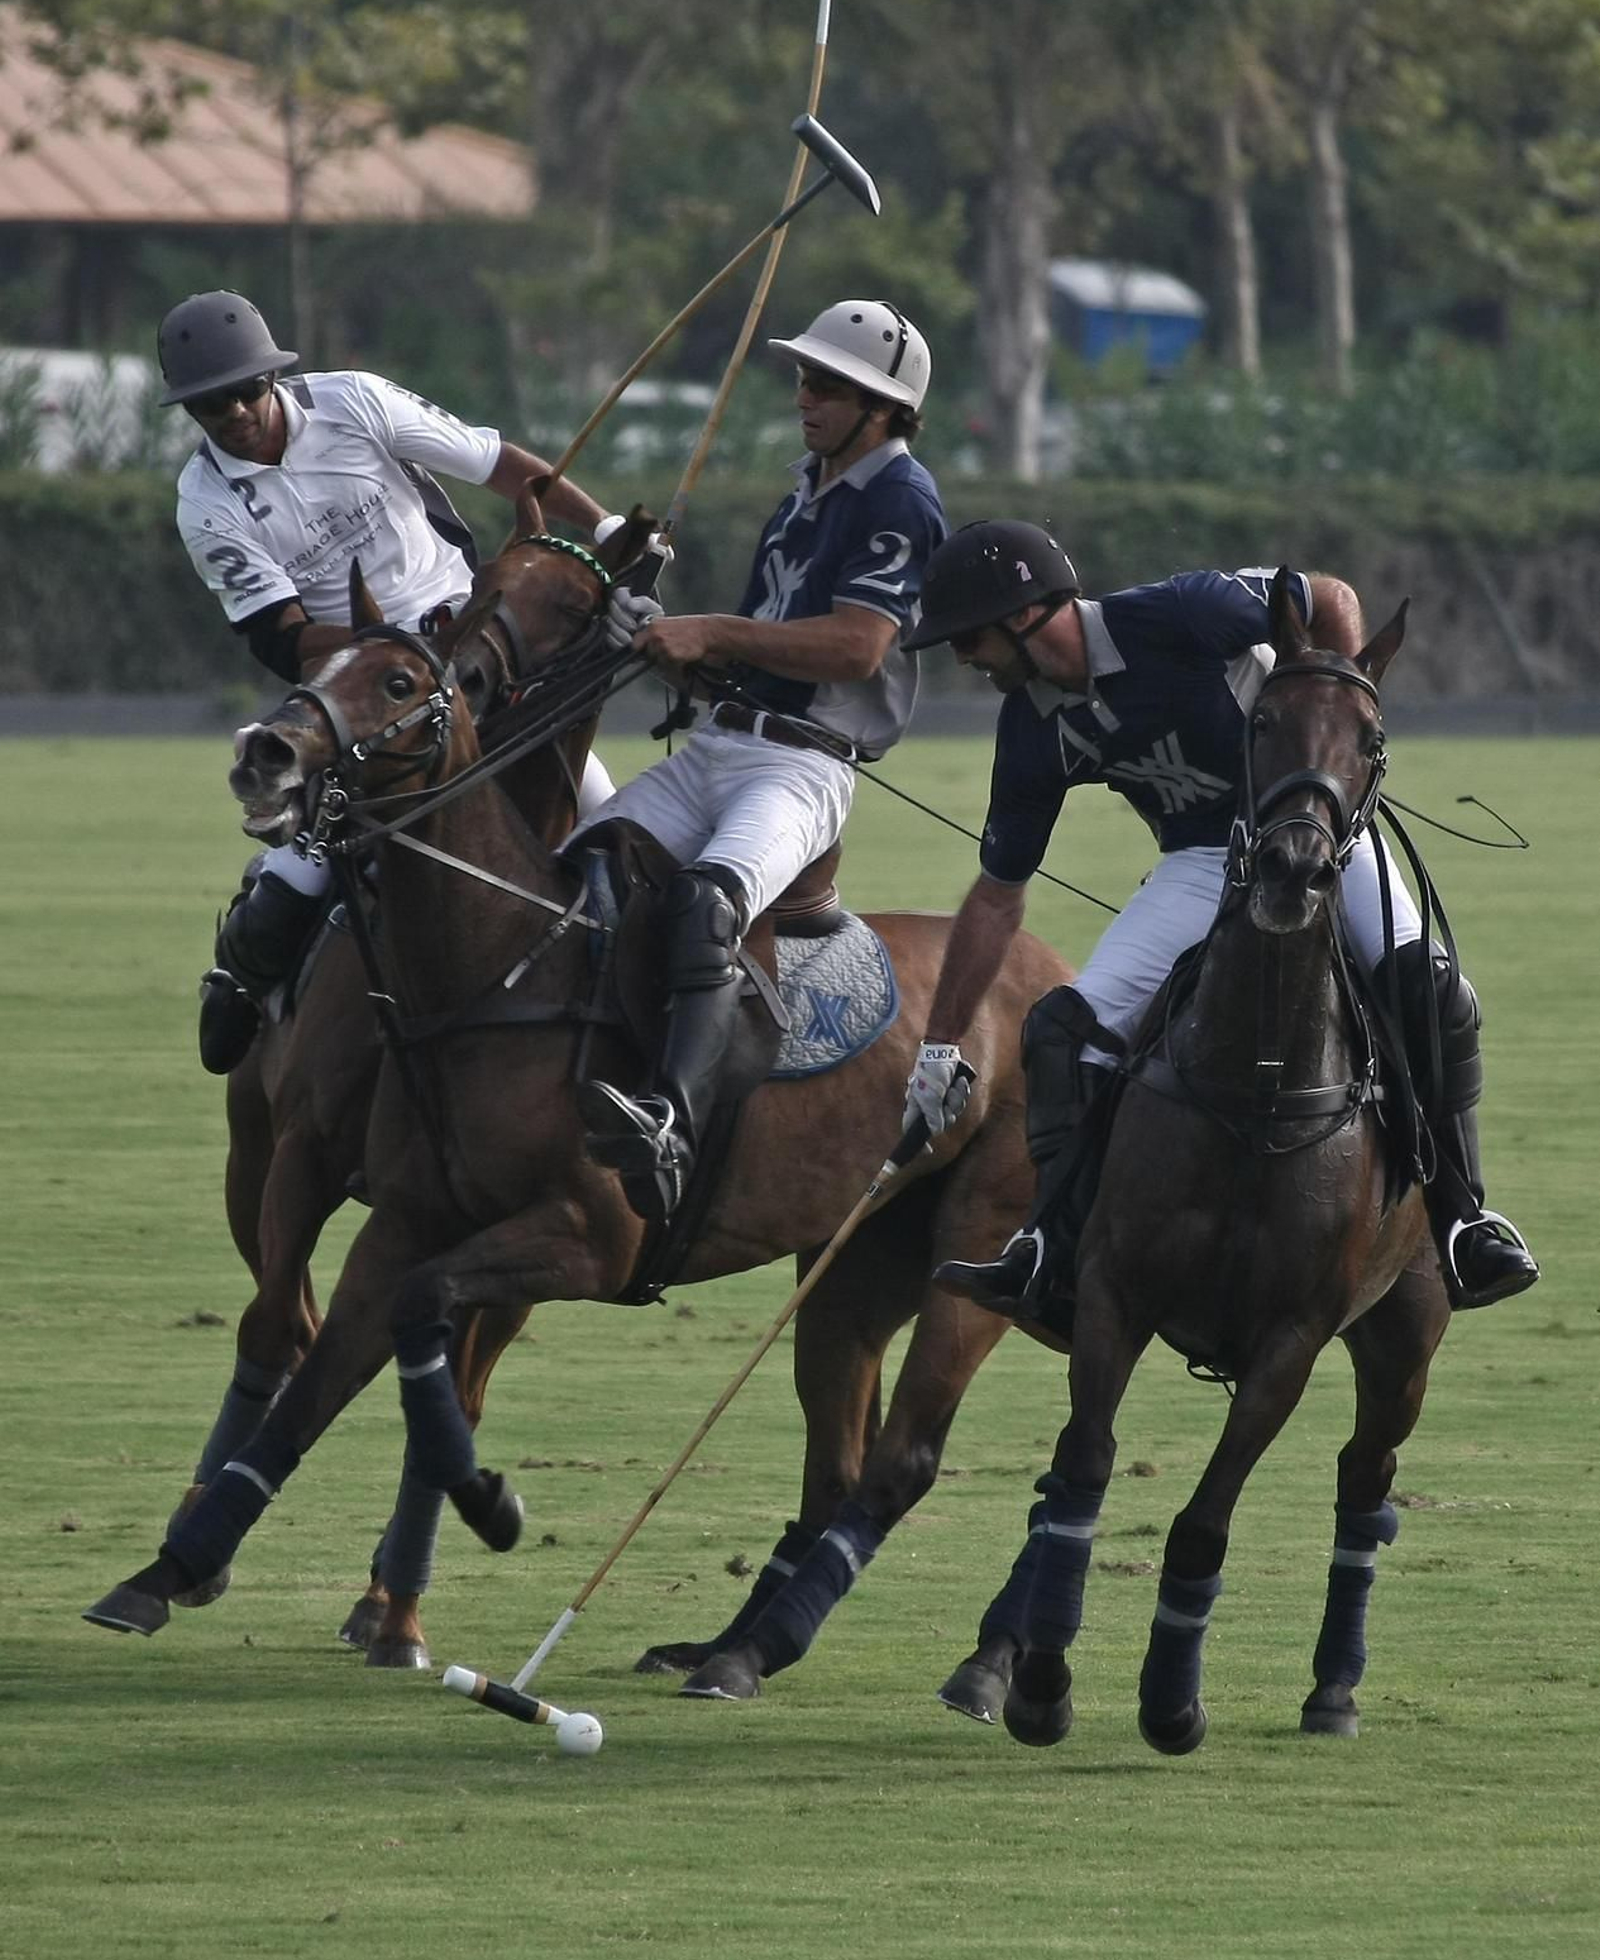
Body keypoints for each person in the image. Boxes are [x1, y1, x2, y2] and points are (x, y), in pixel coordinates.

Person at [896, 522, 1539, 1320]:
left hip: (1324, 836)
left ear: (1029, 613)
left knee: (1432, 990)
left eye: (970, 637)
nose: (962, 656)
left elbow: (1329, 598)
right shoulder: (1033, 724)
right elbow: (997, 894)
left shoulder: (1179, 614)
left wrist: (1332, 706)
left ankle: (1465, 1221)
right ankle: (1049, 1249)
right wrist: (941, 1042)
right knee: (1064, 1031)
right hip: (1206, 858)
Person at [159, 288, 619, 1073]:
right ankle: (243, 977)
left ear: (272, 377)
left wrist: (602, 524)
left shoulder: (356, 401)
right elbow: (286, 635)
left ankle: (624, 999)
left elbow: (497, 462)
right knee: (303, 868)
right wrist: (400, 649)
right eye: (210, 404)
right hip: (359, 685)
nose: (234, 410)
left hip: (476, 649)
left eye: (245, 389)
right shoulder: (205, 502)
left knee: (603, 814)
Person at [575, 298, 949, 1221]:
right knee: (580, 867)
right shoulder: (801, 499)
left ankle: (669, 1123)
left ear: (885, 408)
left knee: (707, 902)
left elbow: (858, 646)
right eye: (804, 378)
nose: (806, 397)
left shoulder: (902, 500)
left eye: (829, 384)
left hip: (802, 768)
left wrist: (711, 629)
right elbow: (752, 655)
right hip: (721, 743)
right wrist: (660, 636)